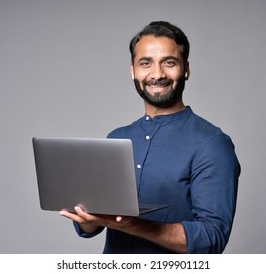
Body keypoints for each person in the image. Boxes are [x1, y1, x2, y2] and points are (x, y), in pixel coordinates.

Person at [59, 21, 240, 254]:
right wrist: (87, 218)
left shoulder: (213, 144)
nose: (157, 74)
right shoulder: (116, 138)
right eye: (146, 63)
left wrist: (133, 224)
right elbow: (90, 227)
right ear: (133, 71)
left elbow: (211, 239)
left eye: (169, 62)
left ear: (186, 69)